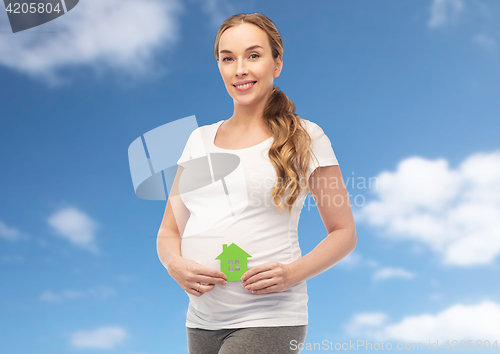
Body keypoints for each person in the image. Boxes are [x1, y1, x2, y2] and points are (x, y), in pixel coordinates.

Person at [156, 13, 357, 354]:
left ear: (276, 63)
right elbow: (169, 231)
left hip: (271, 316)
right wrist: (175, 264)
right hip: (202, 320)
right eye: (227, 58)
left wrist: (292, 273)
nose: (240, 70)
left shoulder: (307, 137)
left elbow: (344, 232)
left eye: (253, 55)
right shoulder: (198, 140)